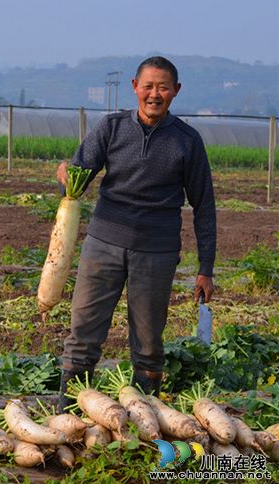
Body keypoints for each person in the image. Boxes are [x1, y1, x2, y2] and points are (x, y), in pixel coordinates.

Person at [56, 56, 216, 410]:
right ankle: (67, 414)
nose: (154, 94)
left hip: (156, 252)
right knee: (82, 333)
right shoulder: (111, 128)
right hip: (102, 245)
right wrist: (67, 175)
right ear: (134, 87)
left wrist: (206, 267)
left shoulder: (187, 141)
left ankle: (145, 418)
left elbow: (204, 207)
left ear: (176, 91)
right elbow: (79, 176)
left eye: (163, 87)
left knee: (147, 343)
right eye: (148, 86)